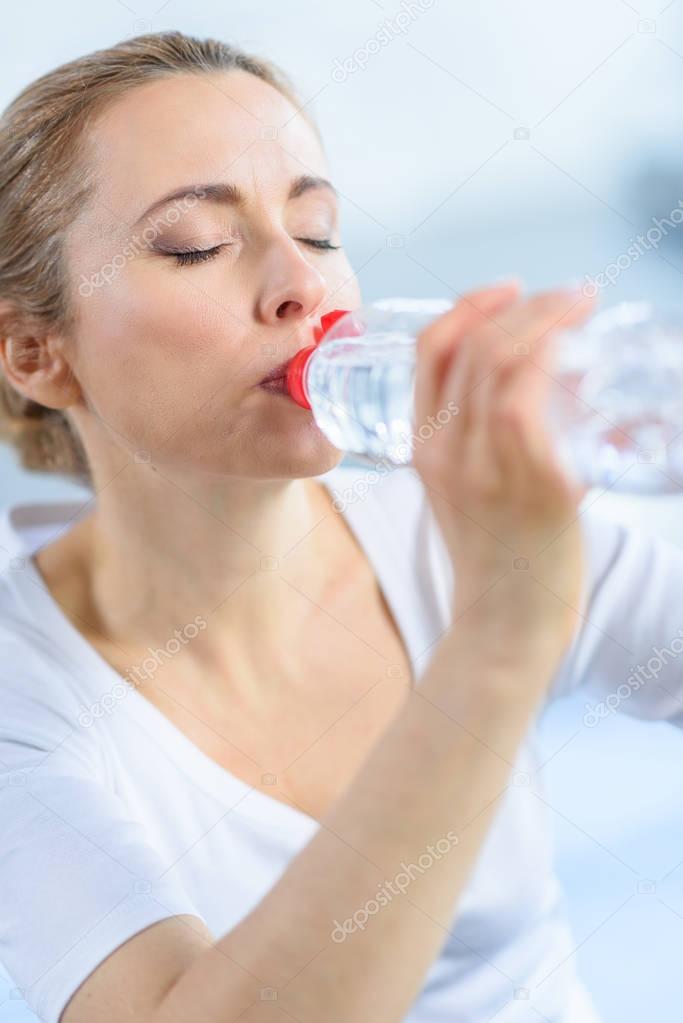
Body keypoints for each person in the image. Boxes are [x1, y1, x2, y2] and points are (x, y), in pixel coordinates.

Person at [0, 30, 681, 1023]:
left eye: (317, 231)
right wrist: (499, 639)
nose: (301, 284)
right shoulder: (27, 705)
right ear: (33, 350)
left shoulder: (448, 530)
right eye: (195, 244)